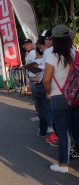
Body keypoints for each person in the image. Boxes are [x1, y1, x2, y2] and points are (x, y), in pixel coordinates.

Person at [43, 24, 79, 173]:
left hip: (59, 97)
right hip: (77, 97)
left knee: (63, 133)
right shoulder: (76, 53)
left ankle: (63, 165)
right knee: (78, 130)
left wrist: (49, 92)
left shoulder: (52, 56)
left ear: (55, 40)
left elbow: (46, 79)